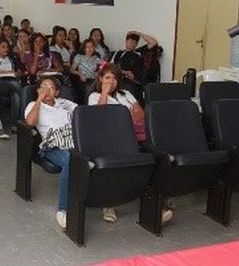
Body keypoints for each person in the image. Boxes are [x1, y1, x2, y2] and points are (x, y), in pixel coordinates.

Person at [87, 63, 149, 224]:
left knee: (151, 158)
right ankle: (108, 204)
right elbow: (99, 117)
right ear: (100, 79)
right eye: (107, 78)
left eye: (114, 78)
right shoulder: (94, 96)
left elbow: (140, 115)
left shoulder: (126, 94)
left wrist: (131, 113)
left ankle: (155, 200)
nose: (111, 81)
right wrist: (105, 93)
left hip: (130, 136)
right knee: (112, 165)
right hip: (108, 138)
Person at [24, 76, 77, 229]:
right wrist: (39, 100)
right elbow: (30, 122)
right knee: (70, 161)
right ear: (38, 90)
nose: (47, 90)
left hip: (72, 140)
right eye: (43, 87)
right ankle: (63, 209)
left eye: (51, 87)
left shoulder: (63, 103)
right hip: (53, 146)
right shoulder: (33, 105)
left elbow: (81, 112)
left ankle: (104, 202)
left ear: (57, 91)